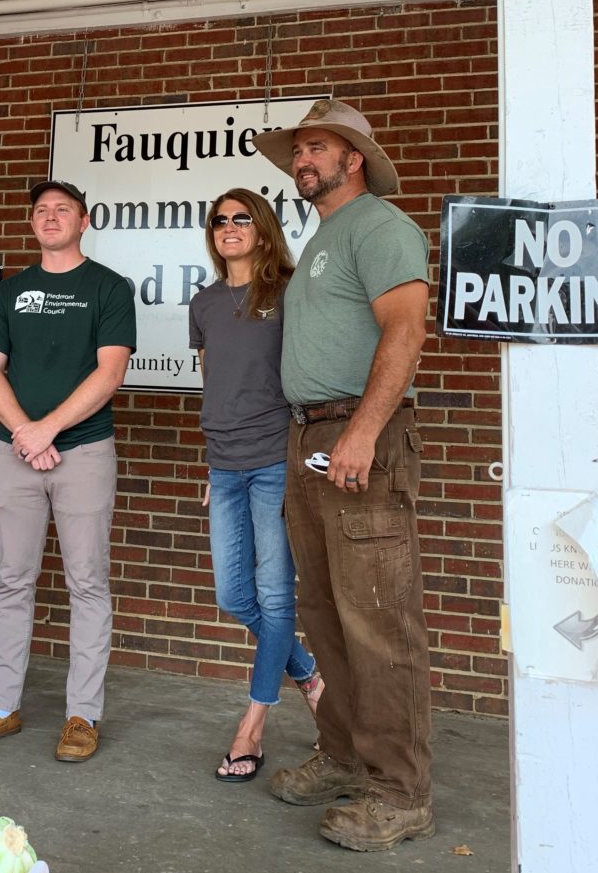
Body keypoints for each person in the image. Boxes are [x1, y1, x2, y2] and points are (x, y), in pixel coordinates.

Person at [251, 99, 432, 851]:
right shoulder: (327, 235)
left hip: (361, 437)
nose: (303, 160)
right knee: (325, 614)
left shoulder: (383, 227)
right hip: (309, 438)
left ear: (352, 157)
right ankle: (346, 757)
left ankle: (401, 793)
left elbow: (406, 329)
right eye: (298, 150)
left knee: (380, 622)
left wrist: (361, 431)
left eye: (317, 147)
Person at [0, 179, 135, 763]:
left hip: (82, 454)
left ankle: (83, 715)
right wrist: (26, 436)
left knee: (87, 584)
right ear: (31, 224)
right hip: (16, 457)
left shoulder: (109, 287)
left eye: (62, 210)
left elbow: (109, 374)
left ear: (85, 221)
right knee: (12, 581)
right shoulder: (11, 292)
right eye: (41, 211)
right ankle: (2, 707)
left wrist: (47, 429)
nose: (50, 217)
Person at [188, 188, 324, 784]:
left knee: (274, 599)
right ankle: (311, 676)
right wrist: (211, 466)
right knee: (232, 596)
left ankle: (252, 728)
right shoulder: (205, 302)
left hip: (275, 462)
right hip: (226, 464)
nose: (229, 228)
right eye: (219, 220)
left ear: (264, 230)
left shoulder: (291, 292)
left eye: (241, 218)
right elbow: (212, 381)